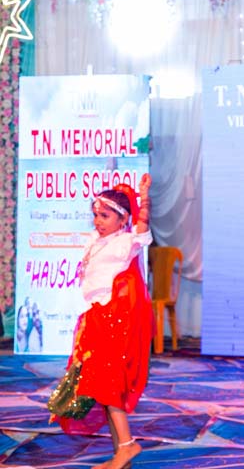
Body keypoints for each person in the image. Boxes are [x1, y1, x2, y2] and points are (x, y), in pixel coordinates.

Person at [48, 175, 154, 468]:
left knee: (107, 384)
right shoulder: (96, 240)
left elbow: (143, 229)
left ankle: (128, 446)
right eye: (95, 215)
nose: (98, 221)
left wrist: (144, 197)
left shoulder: (126, 242)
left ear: (123, 219)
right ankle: (121, 453)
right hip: (95, 317)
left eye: (105, 216)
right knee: (101, 386)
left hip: (113, 320)